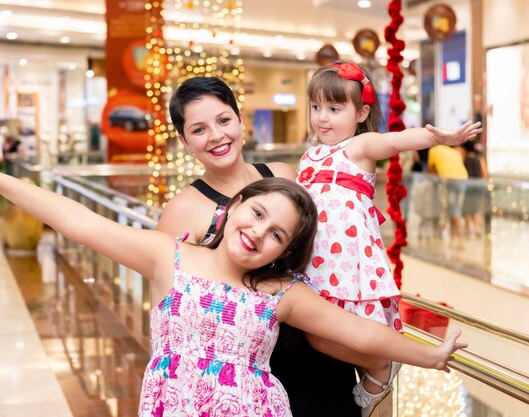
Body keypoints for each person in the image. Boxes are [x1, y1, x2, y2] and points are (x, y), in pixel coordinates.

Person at [0, 144, 468, 417]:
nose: (258, 232)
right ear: (236, 203)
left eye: (277, 234)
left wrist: (433, 356)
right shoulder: (169, 257)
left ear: (285, 252)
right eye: (257, 213)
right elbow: (79, 220)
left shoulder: (280, 293)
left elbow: (361, 334)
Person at [156, 76, 360, 416]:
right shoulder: (182, 210)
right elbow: (167, 307)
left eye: (223, 120)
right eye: (199, 129)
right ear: (184, 141)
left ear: (240, 121)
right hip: (249, 364)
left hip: (318, 338)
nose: (217, 136)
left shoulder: (283, 174)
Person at [296, 61, 481, 416]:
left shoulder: (359, 147)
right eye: (316, 107)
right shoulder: (309, 155)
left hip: (348, 260)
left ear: (361, 112)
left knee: (333, 333)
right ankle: (380, 366)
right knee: (315, 334)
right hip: (313, 260)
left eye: (335, 109)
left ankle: (380, 368)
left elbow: (393, 140)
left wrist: (437, 138)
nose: (322, 118)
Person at [427, 143, 469, 247]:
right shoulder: (453, 151)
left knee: (454, 211)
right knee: (454, 210)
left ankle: (461, 241)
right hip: (464, 180)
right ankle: (451, 239)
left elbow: (431, 171)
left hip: (450, 181)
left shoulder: (433, 150)